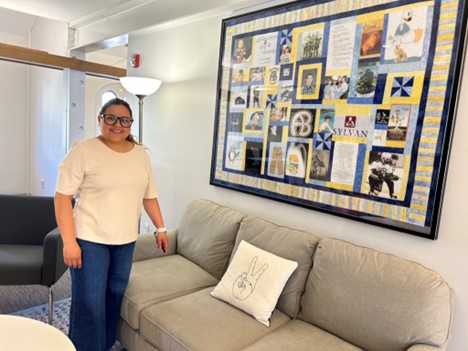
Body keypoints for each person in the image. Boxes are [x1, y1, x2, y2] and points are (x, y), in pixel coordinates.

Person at [54, 98, 168, 351]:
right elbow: (62, 197)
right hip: (89, 240)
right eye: (111, 118)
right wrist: (69, 242)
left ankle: (103, 346)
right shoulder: (83, 150)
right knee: (90, 303)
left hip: (125, 240)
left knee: (113, 297)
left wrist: (160, 228)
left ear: (130, 124)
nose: (118, 124)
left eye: (124, 119)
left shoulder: (141, 154)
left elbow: (149, 195)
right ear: (100, 120)